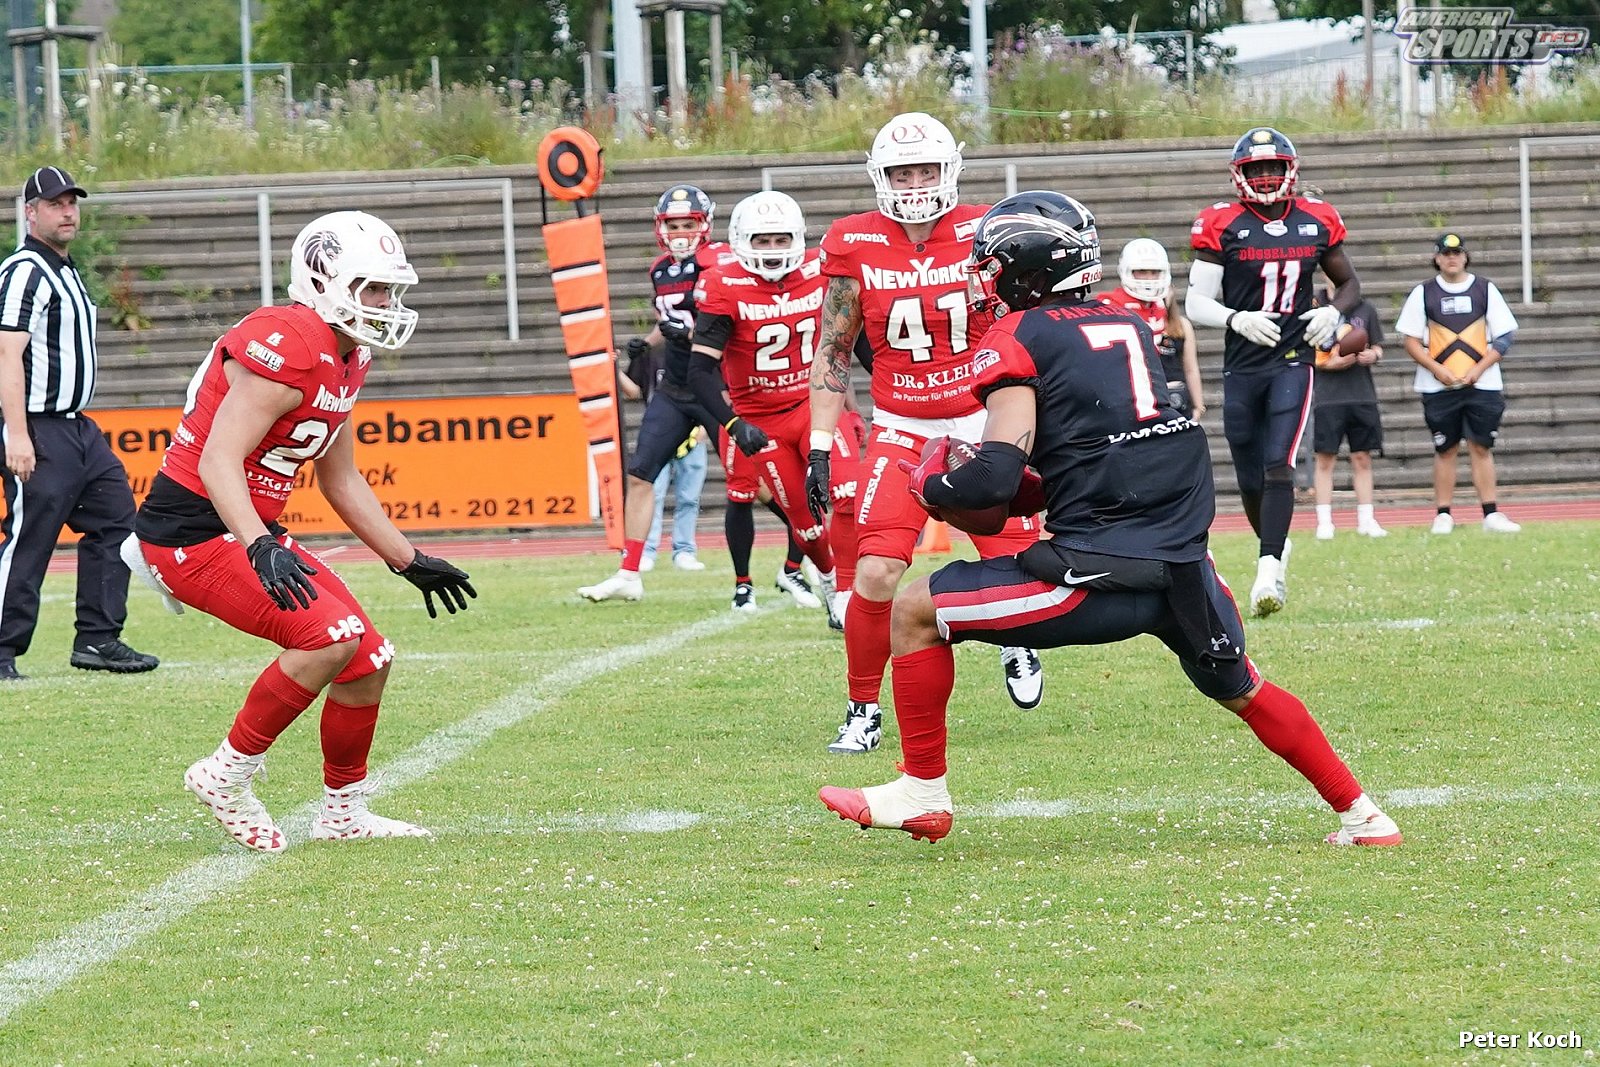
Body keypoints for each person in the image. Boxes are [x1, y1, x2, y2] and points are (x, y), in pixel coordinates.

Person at [818, 190, 1402, 850]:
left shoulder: (1017, 336)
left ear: (1026, 271)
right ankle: (1364, 814)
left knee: (915, 609)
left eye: (992, 265)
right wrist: (1024, 493)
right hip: (1184, 566)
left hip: (1098, 575)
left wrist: (930, 481)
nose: (982, 278)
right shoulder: (1126, 323)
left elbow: (994, 479)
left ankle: (922, 792)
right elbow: (1100, 455)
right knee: (1241, 686)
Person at [128, 210, 476, 852]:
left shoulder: (348, 354)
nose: (386, 303)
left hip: (245, 527)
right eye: (374, 288)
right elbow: (217, 460)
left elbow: (340, 477)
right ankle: (225, 774)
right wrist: (260, 543)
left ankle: (342, 813)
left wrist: (407, 558)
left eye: (390, 290)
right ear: (324, 281)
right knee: (328, 636)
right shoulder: (287, 341)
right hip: (190, 533)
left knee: (369, 659)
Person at [806, 111, 1045, 755]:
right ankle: (862, 708)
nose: (915, 185)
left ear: (951, 169)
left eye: (926, 171)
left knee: (1018, 561)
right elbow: (833, 348)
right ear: (879, 177)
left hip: (982, 420)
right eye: (902, 173)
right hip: (902, 425)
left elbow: (1024, 322)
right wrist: (821, 445)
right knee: (876, 571)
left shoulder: (984, 230)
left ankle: (1016, 639)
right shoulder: (853, 241)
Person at [579, 185, 819, 611]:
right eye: (672, 224)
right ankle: (629, 573)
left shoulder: (724, 262)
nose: (680, 232)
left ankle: (810, 548)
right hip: (674, 388)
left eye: (687, 223)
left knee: (760, 486)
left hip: (716, 387)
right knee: (640, 474)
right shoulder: (661, 269)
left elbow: (731, 328)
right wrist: (647, 343)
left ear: (704, 225)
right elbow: (669, 319)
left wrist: (687, 334)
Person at [1185, 127, 1362, 618]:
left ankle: (1268, 570)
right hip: (1243, 362)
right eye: (1256, 169)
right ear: (1238, 174)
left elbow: (1349, 283)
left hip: (1293, 358)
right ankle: (1275, 545)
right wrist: (1235, 318)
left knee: (1278, 461)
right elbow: (1195, 302)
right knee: (1248, 473)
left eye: (1273, 167)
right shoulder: (1221, 222)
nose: (1265, 176)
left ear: (1291, 169)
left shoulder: (1316, 218)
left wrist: (1334, 312)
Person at [0, 165, 160, 681]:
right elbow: (5, 353)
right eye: (55, 204)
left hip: (78, 428)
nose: (68, 212)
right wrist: (17, 433)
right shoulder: (25, 270)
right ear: (31, 213)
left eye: (72, 203)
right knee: (29, 538)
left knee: (118, 521)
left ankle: (97, 638)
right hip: (38, 426)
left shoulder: (66, 270)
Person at [688, 190, 854, 629]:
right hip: (762, 422)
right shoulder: (724, 285)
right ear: (741, 241)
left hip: (815, 405)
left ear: (798, 238)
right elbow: (699, 371)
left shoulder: (820, 271)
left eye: (781, 240)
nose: (773, 250)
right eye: (762, 241)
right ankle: (830, 581)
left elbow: (850, 340)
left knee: (847, 493)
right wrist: (733, 424)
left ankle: (850, 590)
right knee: (808, 525)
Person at [1396, 233, 1521, 534]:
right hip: (1438, 386)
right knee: (1445, 448)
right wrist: (1437, 369)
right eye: (1446, 253)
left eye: (1457, 253)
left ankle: (1490, 513)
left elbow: (1504, 337)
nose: (1452, 258)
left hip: (1483, 384)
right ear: (1437, 258)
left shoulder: (1484, 289)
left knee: (1481, 446)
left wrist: (1478, 370)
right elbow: (1410, 340)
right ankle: (1443, 514)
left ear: (1465, 257)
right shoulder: (1423, 292)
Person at [616, 340, 708, 572]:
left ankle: (685, 549)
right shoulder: (650, 351)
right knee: (651, 493)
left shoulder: (700, 348)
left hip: (693, 432)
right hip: (660, 431)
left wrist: (704, 428)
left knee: (690, 497)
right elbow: (635, 390)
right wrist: (613, 368)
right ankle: (646, 550)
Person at [1309, 287, 1388, 540]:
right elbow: (1302, 349)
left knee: (1362, 457)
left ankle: (1366, 519)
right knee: (1325, 459)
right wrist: (1326, 363)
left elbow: (1378, 346)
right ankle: (1324, 522)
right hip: (1327, 395)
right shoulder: (1313, 307)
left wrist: (1372, 354)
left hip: (1361, 393)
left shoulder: (1365, 308)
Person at [1101, 238, 1205, 420]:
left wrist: (1198, 406)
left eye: (1155, 272)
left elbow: (1190, 368)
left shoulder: (1177, 322)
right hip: (1132, 402)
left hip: (1173, 401)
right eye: (1142, 271)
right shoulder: (1109, 310)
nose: (1149, 279)